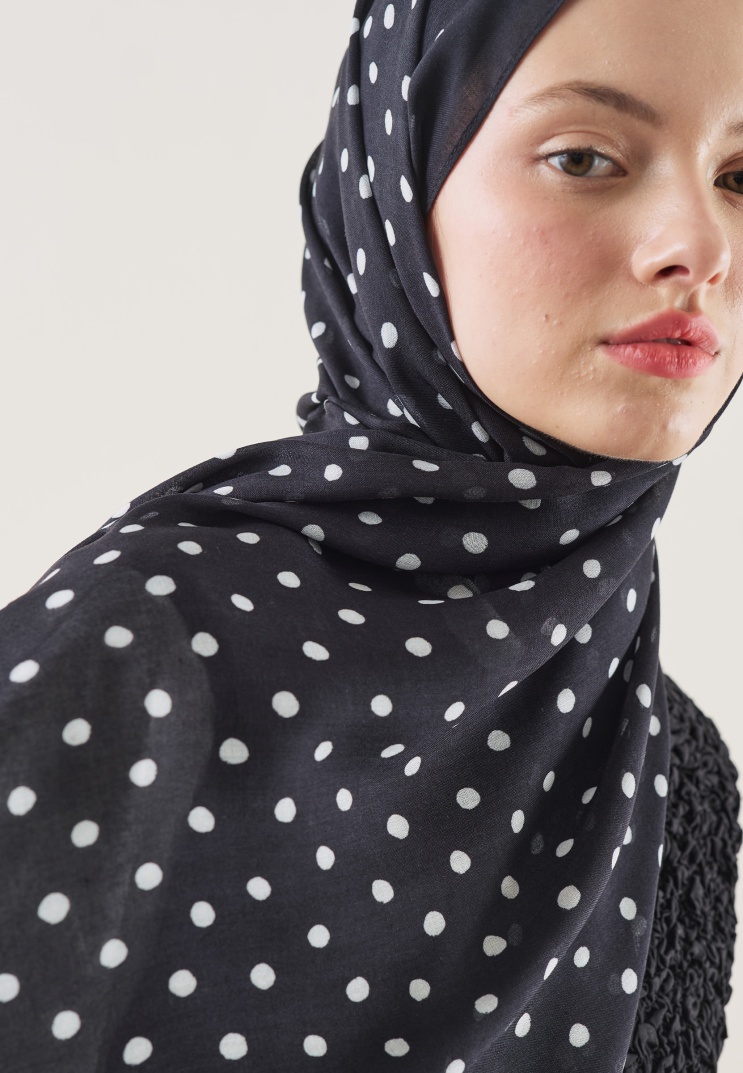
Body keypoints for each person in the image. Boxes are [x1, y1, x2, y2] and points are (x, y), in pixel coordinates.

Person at [0, 0, 741, 1069]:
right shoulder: (135, 653)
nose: (700, 247)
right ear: (393, 195)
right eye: (584, 158)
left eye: (739, 177)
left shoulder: (676, 772)